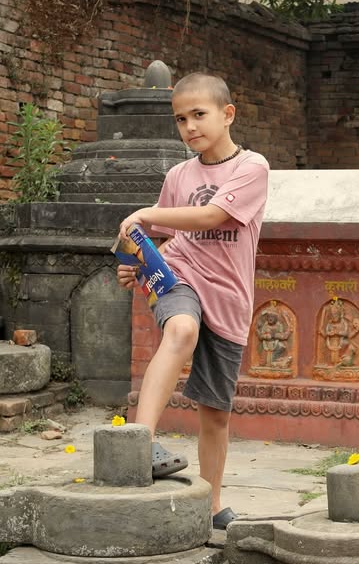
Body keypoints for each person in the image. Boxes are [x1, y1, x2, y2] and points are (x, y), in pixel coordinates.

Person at [115, 72, 269, 532]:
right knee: (180, 329)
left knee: (215, 415)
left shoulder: (252, 168)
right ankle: (139, 441)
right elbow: (155, 236)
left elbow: (212, 215)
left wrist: (144, 212)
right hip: (178, 275)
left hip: (230, 298)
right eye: (180, 119)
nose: (189, 127)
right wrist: (133, 262)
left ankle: (212, 504)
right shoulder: (178, 175)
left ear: (227, 115)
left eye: (198, 115)